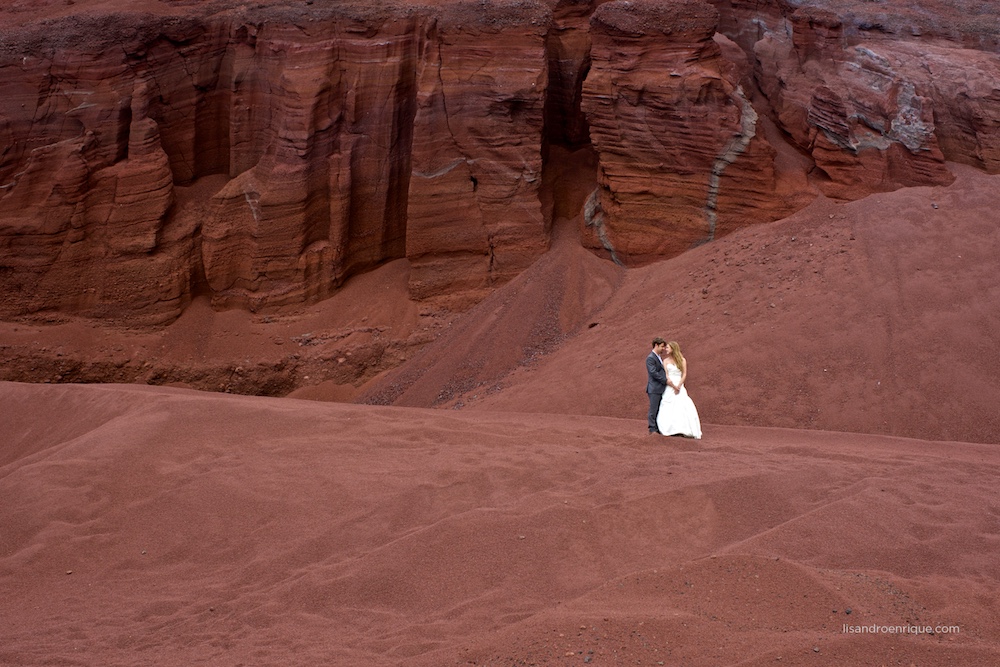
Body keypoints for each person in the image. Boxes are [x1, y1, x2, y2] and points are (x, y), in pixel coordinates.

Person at [656, 341, 702, 439]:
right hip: (670, 385)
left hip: (679, 384)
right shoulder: (665, 361)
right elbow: (666, 375)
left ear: (673, 349)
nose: (666, 349)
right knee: (668, 405)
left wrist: (679, 385)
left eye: (667, 347)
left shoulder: (682, 360)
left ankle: (682, 428)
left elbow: (684, 374)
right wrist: (673, 386)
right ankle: (670, 429)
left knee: (681, 405)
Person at [646, 337, 668, 434]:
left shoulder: (658, 357)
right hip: (654, 388)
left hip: (660, 388)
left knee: (660, 409)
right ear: (656, 345)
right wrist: (665, 381)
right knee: (653, 409)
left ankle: (658, 428)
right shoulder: (650, 358)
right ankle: (652, 429)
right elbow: (653, 373)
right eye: (662, 347)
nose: (663, 349)